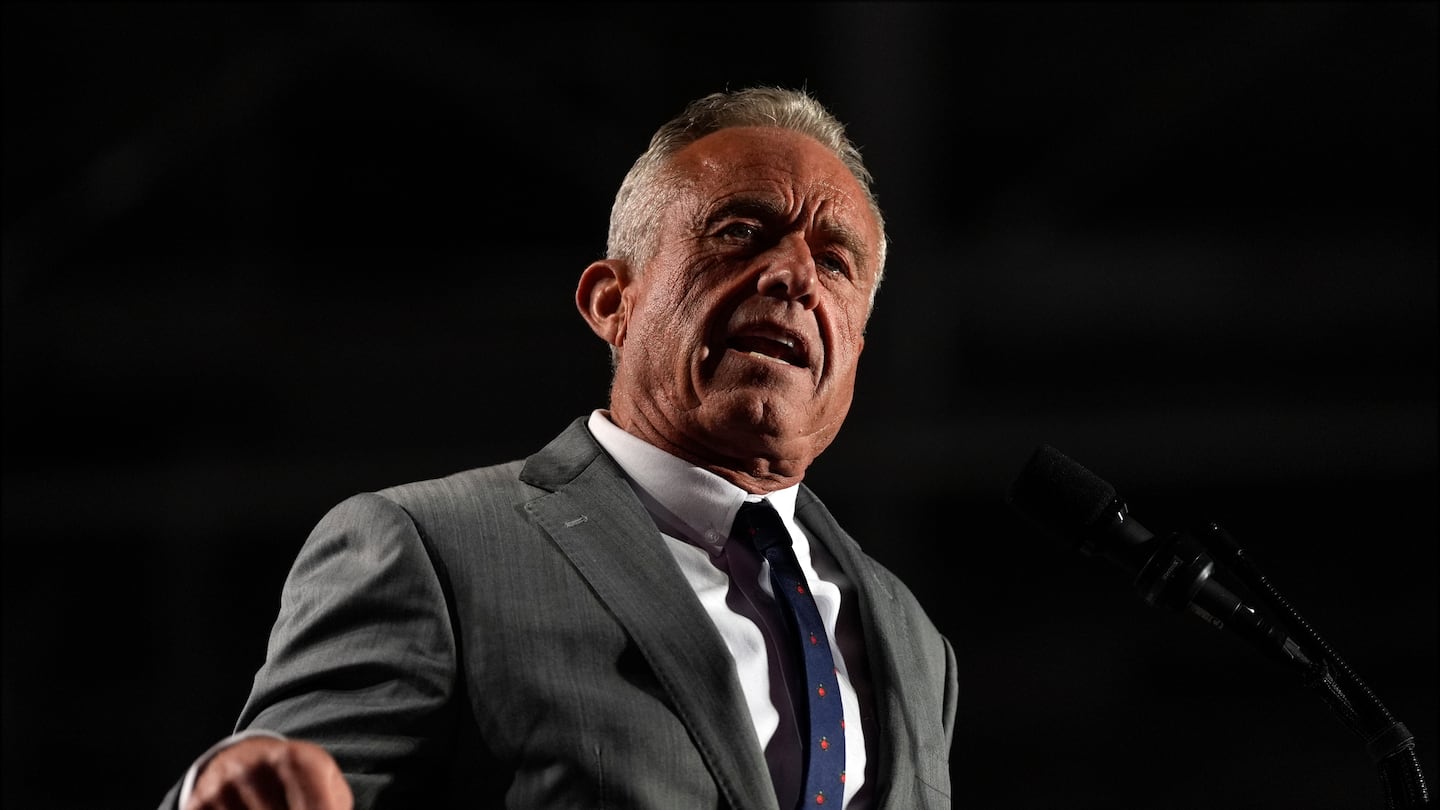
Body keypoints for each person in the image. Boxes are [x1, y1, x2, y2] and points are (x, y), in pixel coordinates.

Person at [161, 86, 956, 810]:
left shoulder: (913, 638)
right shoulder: (432, 552)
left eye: (835, 261)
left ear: (854, 343)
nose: (793, 275)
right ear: (612, 301)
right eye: (741, 232)